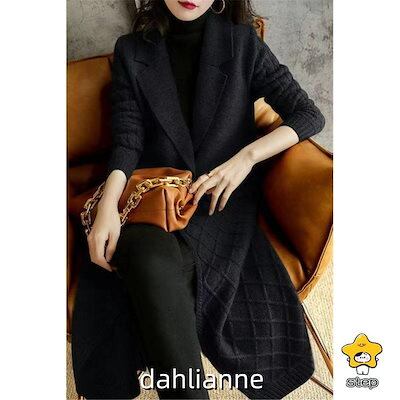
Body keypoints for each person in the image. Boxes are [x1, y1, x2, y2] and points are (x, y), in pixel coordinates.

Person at [71, 0, 326, 399]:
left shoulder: (242, 44)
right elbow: (128, 139)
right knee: (141, 253)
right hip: (156, 203)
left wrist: (246, 158)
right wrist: (107, 206)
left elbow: (307, 113)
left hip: (219, 207)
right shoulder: (132, 50)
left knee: (150, 276)